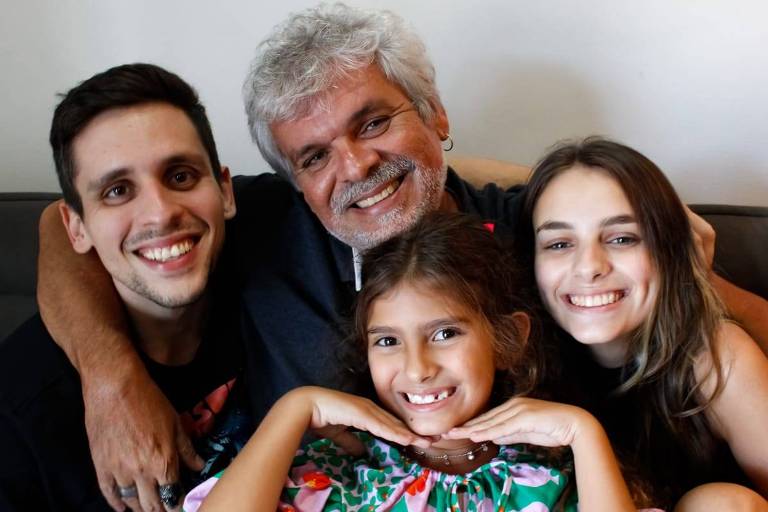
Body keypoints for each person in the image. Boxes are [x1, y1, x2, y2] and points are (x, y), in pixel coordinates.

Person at [33, 4, 768, 509]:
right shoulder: (259, 224)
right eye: (314, 155)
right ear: (292, 179)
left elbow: (677, 298)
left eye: (375, 121)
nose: (353, 167)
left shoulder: (539, 228)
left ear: (437, 116)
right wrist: (110, 377)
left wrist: (675, 255)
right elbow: (56, 230)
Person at [183, 212, 637, 512]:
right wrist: (295, 407)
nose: (417, 368)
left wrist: (584, 432)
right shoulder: (338, 468)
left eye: (445, 334)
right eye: (386, 341)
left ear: (508, 340)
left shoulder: (552, 475)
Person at [0, 63, 249, 511]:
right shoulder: (18, 417)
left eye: (180, 176)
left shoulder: (268, 251)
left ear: (225, 191)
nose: (160, 213)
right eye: (117, 191)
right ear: (76, 228)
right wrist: (109, 378)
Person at [517, 137, 768, 510]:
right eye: (558, 244)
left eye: (622, 238)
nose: (589, 266)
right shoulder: (516, 360)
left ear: (670, 250)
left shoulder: (718, 356)